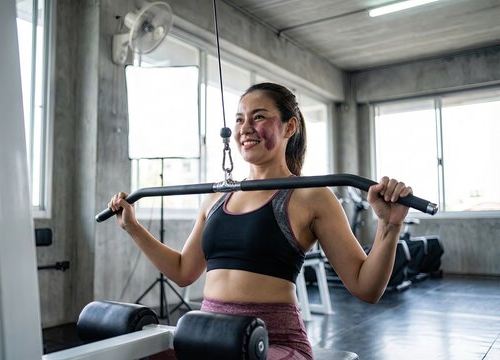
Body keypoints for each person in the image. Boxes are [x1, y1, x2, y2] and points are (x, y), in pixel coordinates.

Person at [108, 82, 412, 360]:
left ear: (289, 126)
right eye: (240, 119)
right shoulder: (216, 198)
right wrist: (132, 227)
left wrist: (389, 226)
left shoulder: (310, 196)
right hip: (208, 337)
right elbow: (184, 271)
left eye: (259, 117)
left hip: (273, 341)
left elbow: (366, 288)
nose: (245, 128)